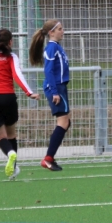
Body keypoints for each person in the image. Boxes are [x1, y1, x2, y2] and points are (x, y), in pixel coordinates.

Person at [0, 29, 39, 181]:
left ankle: (9, 153)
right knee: (11, 134)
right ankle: (13, 168)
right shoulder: (11, 56)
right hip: (7, 98)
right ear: (10, 42)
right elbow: (17, 75)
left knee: (1, 136)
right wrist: (29, 92)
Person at [30, 19, 70, 171]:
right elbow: (48, 70)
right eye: (59, 29)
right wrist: (54, 92)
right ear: (51, 32)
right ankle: (48, 159)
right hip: (56, 88)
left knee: (66, 122)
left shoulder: (56, 47)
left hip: (60, 87)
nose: (62, 31)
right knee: (63, 122)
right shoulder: (52, 48)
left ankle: (50, 158)